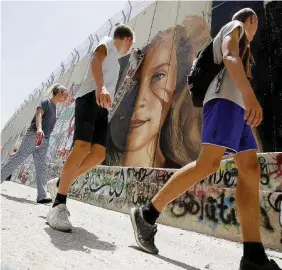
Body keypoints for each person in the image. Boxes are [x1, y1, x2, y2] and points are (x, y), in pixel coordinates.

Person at [130, 8, 281, 270]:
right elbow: (230, 56)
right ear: (252, 20)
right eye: (255, 24)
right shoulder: (236, 26)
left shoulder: (244, 42)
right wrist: (249, 94)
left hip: (237, 108)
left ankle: (253, 257)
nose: (254, 30)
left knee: (250, 168)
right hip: (225, 101)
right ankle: (147, 214)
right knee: (208, 163)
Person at [46, 24, 134, 232]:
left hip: (102, 109)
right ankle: (58, 204)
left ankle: (60, 183)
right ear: (128, 40)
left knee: (98, 155)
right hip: (88, 98)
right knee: (82, 147)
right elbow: (95, 60)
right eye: (131, 45)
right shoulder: (109, 42)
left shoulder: (118, 63)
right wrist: (100, 86)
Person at [1, 84, 68, 203]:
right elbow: (39, 114)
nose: (66, 98)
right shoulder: (46, 101)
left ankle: (41, 196)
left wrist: (44, 136)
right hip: (33, 135)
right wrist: (39, 129)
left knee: (42, 166)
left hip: (45, 140)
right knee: (18, 159)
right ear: (59, 93)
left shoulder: (56, 108)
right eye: (65, 95)